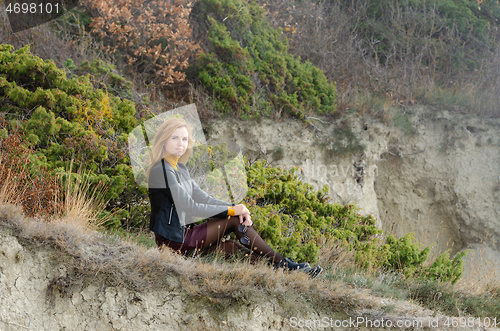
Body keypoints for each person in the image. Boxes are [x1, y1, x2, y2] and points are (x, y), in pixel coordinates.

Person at [147, 117, 322, 277]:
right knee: (233, 220)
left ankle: (281, 271)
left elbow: (204, 198)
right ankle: (283, 264)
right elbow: (190, 206)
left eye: (184, 139)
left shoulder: (180, 169)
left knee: (231, 247)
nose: (181, 143)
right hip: (174, 242)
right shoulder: (161, 170)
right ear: (163, 141)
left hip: (183, 237)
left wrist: (238, 207)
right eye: (175, 138)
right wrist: (232, 211)